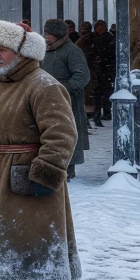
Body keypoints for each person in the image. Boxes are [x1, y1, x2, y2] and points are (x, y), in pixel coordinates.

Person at [0, 21, 80, 280]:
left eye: (2, 49)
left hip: (28, 174)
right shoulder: (2, 83)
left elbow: (61, 135)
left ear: (22, 53)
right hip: (1, 172)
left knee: (34, 242)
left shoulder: (43, 86)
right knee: (12, 239)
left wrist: (45, 174)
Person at [41, 19, 91, 180]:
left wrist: (62, 88)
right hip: (48, 99)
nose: (46, 36)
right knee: (52, 132)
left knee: (67, 132)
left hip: (67, 101)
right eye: (45, 32)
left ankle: (69, 167)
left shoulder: (71, 50)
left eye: (48, 33)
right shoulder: (46, 50)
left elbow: (82, 76)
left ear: (57, 35)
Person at [92, 20, 116, 127]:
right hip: (100, 71)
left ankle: (106, 112)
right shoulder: (94, 38)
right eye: (98, 27)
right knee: (98, 93)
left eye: (102, 27)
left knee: (105, 93)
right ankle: (99, 113)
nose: (100, 29)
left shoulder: (109, 39)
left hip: (106, 71)